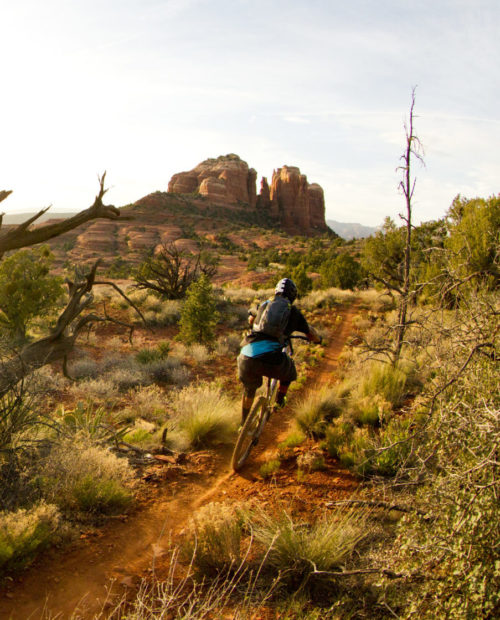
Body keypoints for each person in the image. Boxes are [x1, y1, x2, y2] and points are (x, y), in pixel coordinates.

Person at [237, 277, 322, 424]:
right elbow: (311, 334)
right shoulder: (293, 312)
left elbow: (250, 319)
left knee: (249, 389)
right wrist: (318, 339)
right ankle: (279, 401)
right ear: (293, 295)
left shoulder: (264, 304)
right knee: (290, 372)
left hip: (246, 354)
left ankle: (243, 423)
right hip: (271, 359)